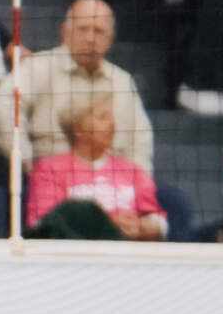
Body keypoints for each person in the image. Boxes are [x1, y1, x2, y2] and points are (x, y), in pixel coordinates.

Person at [0, 0, 153, 169]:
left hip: (112, 177)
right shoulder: (37, 68)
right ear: (65, 32)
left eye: (98, 31)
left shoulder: (123, 81)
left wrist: (138, 179)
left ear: (110, 40)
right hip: (50, 174)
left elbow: (140, 143)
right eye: (83, 29)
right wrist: (25, 160)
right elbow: (3, 107)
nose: (90, 38)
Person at [26, 95, 164, 236]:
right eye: (102, 118)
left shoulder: (131, 170)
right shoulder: (49, 169)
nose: (111, 124)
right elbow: (41, 224)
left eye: (111, 117)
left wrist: (142, 227)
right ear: (78, 129)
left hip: (128, 244)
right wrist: (107, 225)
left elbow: (157, 219)